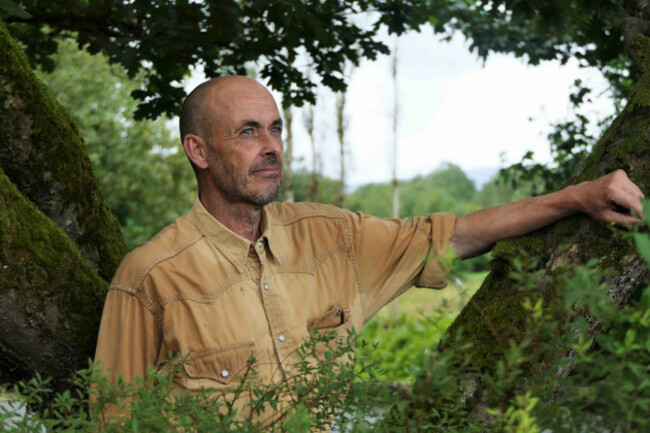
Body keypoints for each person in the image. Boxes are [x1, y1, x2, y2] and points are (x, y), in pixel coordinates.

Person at [94, 76, 645, 422]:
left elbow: (453, 235)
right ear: (199, 150)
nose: (270, 148)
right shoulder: (150, 277)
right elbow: (112, 421)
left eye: (276, 130)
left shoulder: (331, 236)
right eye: (247, 132)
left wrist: (577, 197)